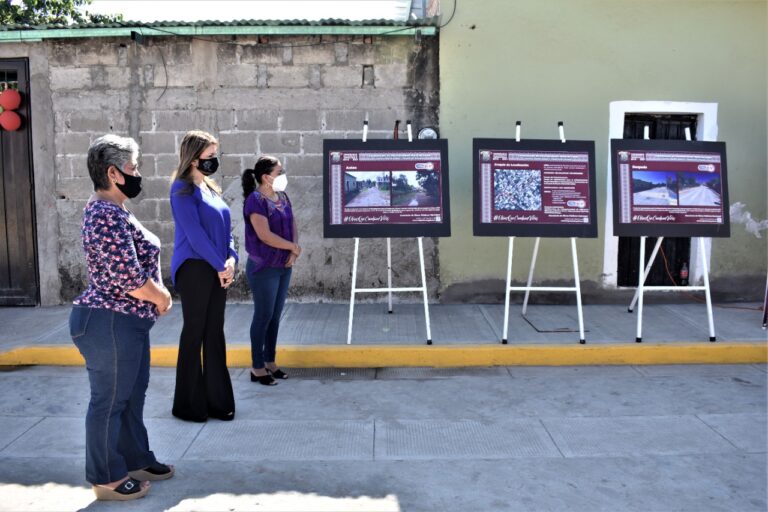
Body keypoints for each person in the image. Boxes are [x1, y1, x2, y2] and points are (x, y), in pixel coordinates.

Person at [69, 134, 174, 501]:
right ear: (113, 173)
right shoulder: (104, 213)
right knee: (110, 401)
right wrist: (161, 297)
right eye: (134, 167)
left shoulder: (116, 210)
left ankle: (135, 458)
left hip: (124, 322)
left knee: (131, 396)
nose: (138, 174)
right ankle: (106, 477)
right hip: (108, 321)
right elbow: (127, 276)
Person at [170, 130, 238, 422]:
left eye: (215, 156)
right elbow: (195, 236)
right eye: (210, 156)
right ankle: (188, 405)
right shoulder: (181, 190)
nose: (214, 161)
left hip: (216, 267)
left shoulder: (210, 188)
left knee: (214, 333)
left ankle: (218, 402)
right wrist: (220, 265)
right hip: (195, 268)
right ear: (193, 158)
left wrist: (232, 260)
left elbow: (226, 232)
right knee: (194, 332)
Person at [241, 156, 300, 385]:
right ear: (266, 177)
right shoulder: (255, 201)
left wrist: (293, 251)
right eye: (279, 171)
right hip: (264, 267)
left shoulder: (282, 197)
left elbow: (292, 224)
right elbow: (264, 235)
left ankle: (270, 362)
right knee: (263, 315)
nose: (283, 175)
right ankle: (257, 367)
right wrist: (292, 247)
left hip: (284, 265)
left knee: (275, 316)